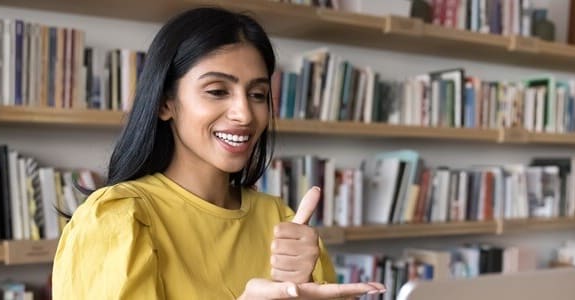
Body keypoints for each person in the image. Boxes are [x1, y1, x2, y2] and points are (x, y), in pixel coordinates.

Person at [52, 6, 385, 299]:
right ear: (166, 103)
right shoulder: (117, 218)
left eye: (257, 94)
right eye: (216, 91)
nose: (244, 113)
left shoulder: (283, 220)